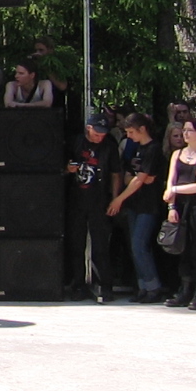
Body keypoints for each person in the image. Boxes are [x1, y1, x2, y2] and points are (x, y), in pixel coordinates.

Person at [65, 113, 122, 303]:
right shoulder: (76, 142)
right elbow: (62, 165)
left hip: (99, 200)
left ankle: (105, 285)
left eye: (103, 134)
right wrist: (68, 169)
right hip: (77, 200)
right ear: (88, 128)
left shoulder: (109, 145)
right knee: (77, 244)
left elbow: (115, 173)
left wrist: (115, 199)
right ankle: (78, 284)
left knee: (101, 245)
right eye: (97, 134)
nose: (100, 137)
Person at [162, 116, 196, 309]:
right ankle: (184, 290)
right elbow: (170, 180)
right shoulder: (177, 154)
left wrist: (175, 190)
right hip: (180, 205)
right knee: (182, 248)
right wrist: (171, 207)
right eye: (184, 130)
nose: (185, 134)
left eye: (189, 130)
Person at [109, 113, 164, 302]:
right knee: (135, 246)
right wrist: (137, 179)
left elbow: (141, 179)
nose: (129, 136)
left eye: (132, 132)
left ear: (142, 129)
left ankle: (154, 287)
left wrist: (119, 199)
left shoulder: (154, 149)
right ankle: (143, 286)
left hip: (148, 204)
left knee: (140, 245)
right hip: (134, 204)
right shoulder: (137, 148)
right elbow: (131, 177)